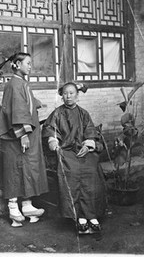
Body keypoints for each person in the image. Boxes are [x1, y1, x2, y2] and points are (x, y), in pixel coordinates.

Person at [42, 82, 106, 234]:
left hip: (84, 150)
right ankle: (80, 216)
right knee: (72, 173)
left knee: (91, 171)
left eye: (72, 93)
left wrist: (89, 144)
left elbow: (90, 130)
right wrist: (53, 140)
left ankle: (92, 214)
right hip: (67, 151)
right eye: (65, 93)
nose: (68, 96)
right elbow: (50, 129)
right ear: (61, 96)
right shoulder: (57, 113)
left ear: (77, 95)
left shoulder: (84, 113)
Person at [0, 52, 48, 227]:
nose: (30, 66)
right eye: (27, 63)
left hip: (28, 136)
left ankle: (27, 205)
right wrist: (24, 134)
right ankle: (13, 207)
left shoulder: (22, 83)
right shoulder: (14, 85)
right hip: (18, 136)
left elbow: (26, 102)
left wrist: (36, 103)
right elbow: (16, 110)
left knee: (28, 167)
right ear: (17, 65)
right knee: (15, 168)